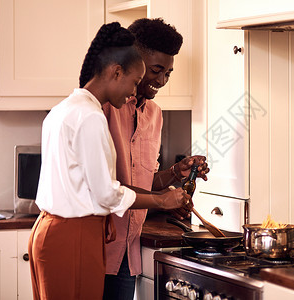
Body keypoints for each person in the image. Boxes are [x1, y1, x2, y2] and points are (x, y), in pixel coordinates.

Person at [28, 22, 189, 300]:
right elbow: (105, 192)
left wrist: (171, 178)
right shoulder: (92, 116)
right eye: (135, 81)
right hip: (75, 235)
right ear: (116, 71)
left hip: (53, 232)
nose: (134, 91)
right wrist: (162, 200)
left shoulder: (63, 109)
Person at [99, 18, 210, 299]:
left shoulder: (155, 115)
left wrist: (176, 172)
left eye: (168, 74)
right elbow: (106, 187)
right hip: (97, 245)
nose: (161, 81)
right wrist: (163, 200)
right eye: (157, 70)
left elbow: (143, 181)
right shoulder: (103, 109)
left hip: (128, 251)